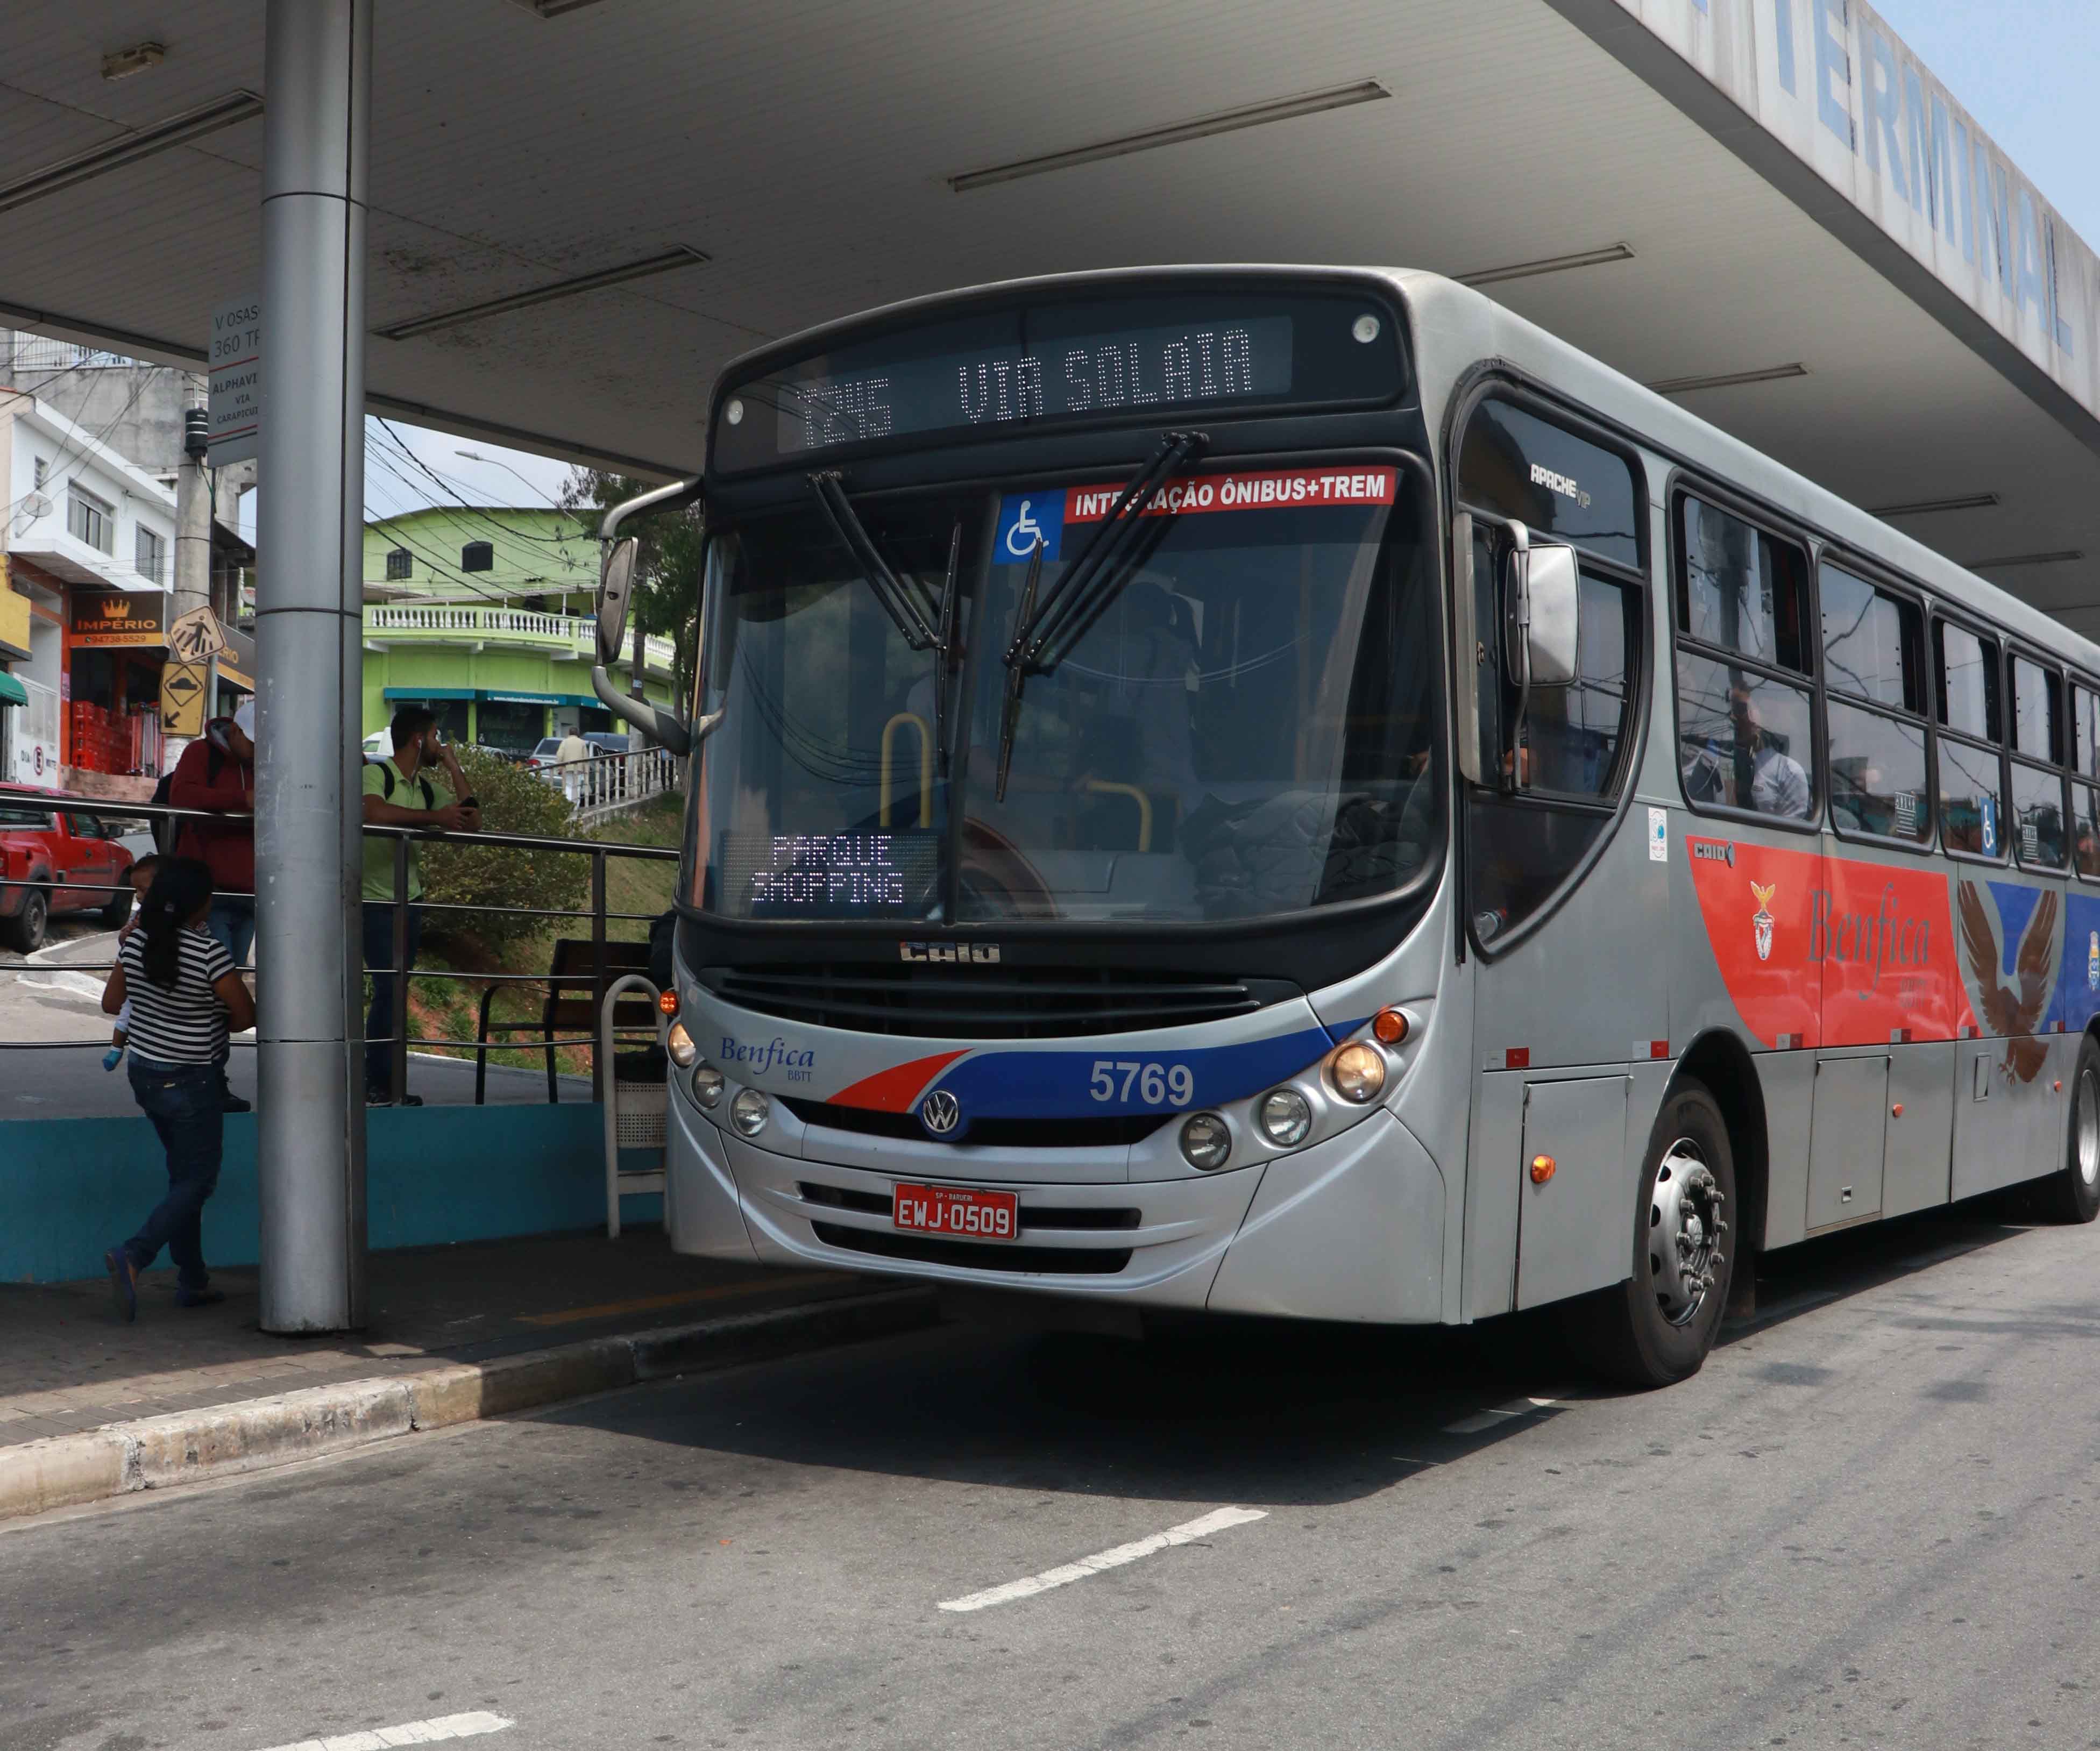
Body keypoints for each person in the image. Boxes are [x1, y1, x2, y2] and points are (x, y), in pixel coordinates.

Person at [99, 858, 254, 1320]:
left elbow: (112, 1003)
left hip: (145, 1075)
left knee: (184, 1179)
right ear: (200, 904)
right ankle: (136, 1255)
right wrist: (205, 1014)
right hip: (191, 1081)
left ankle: (193, 1280)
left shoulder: (137, 942)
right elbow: (245, 1017)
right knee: (198, 1180)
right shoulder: (210, 954)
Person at [360, 705, 479, 1106]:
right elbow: (372, 811)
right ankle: (374, 1081)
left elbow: (473, 819)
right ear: (418, 738)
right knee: (388, 990)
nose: (438, 743)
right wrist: (433, 818)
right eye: (435, 737)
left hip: (409, 901)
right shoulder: (377, 773)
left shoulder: (426, 787)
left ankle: (386, 1083)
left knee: (396, 989)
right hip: (374, 901)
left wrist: (453, 764)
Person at [168, 701, 258, 1113]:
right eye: (255, 746)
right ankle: (201, 1079)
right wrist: (243, 801)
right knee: (212, 990)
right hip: (212, 896)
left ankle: (212, 1078)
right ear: (236, 733)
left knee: (225, 992)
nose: (260, 756)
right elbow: (182, 796)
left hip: (252, 896)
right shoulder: (200, 754)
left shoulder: (268, 759)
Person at [102, 853, 160, 1072]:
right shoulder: (138, 916)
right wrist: (127, 935)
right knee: (126, 1011)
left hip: (149, 976)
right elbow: (123, 941)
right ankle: (116, 1048)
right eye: (136, 890)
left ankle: (118, 1048)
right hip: (137, 976)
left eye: (143, 889)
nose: (138, 896)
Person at [555, 723, 592, 807]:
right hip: (579, 769)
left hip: (567, 768)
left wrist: (559, 767)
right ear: (577, 734)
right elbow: (586, 758)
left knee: (568, 786)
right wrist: (586, 772)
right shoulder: (582, 743)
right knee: (577, 787)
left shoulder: (565, 742)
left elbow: (559, 755)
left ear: (569, 733)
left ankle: (568, 804)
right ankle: (576, 806)